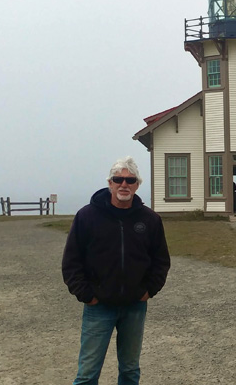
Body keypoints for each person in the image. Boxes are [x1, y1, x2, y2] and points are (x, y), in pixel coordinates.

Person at [62, 156, 170, 385]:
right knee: (87, 373)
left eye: (130, 180)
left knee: (130, 370)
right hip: (98, 307)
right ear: (109, 183)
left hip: (134, 306)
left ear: (137, 184)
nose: (124, 184)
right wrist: (86, 295)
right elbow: (71, 261)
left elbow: (161, 260)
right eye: (118, 179)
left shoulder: (150, 220)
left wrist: (149, 289)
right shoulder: (87, 216)